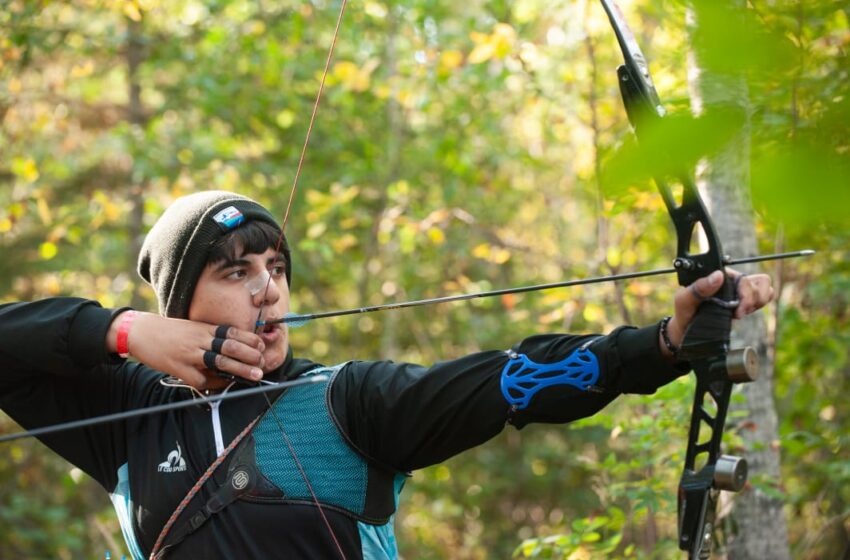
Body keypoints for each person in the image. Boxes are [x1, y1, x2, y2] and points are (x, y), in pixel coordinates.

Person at [0, 190, 773, 559]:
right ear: (180, 306)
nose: (268, 290)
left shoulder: (344, 403)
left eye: (276, 267)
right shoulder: (128, 417)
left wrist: (664, 343)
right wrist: (125, 331)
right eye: (236, 272)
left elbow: (509, 381)